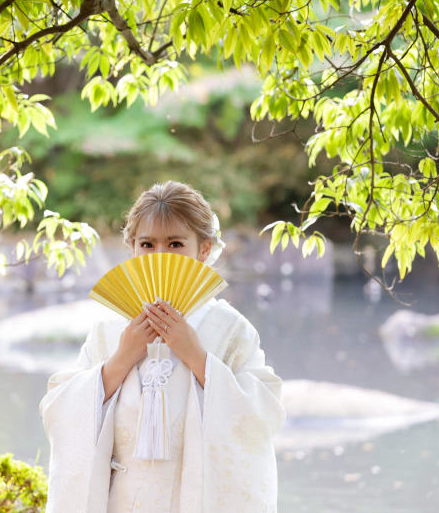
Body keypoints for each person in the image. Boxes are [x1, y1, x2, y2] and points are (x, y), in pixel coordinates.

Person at [40, 181, 285, 512]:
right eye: (147, 244)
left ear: (203, 249)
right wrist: (122, 357)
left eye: (175, 243)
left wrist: (197, 358)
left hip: (195, 500)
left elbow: (261, 416)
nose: (160, 256)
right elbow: (60, 410)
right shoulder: (110, 331)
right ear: (132, 248)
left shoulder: (230, 330)